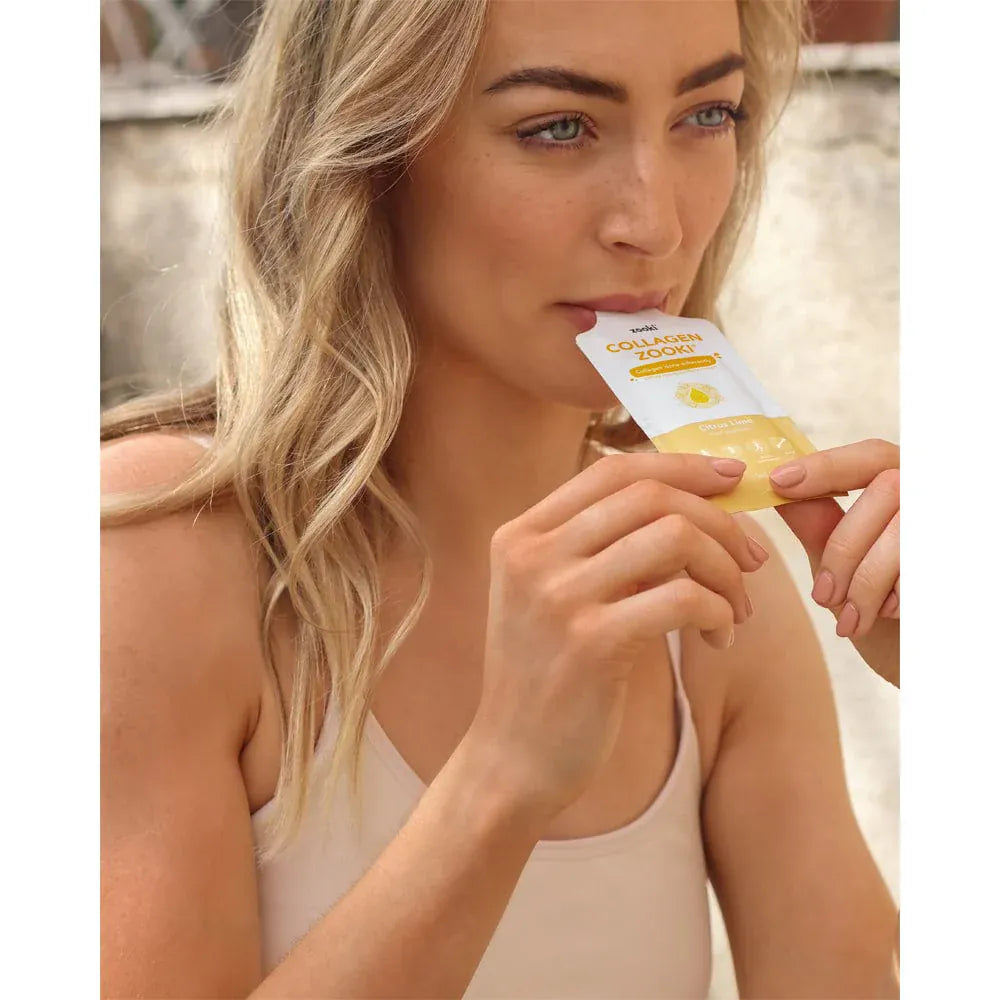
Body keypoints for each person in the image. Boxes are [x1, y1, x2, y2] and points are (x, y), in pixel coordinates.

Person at [100, 1, 900, 997]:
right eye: (557, 128)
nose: (655, 225)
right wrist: (503, 777)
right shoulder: (149, 559)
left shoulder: (710, 589)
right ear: (369, 154)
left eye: (708, 115)